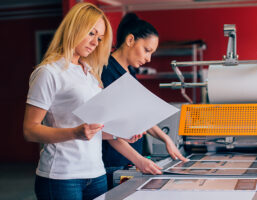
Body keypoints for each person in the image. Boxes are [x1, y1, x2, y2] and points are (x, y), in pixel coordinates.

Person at [23, 3, 159, 199]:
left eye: (100, 38)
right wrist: (75, 132)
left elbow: (93, 130)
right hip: (62, 177)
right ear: (74, 28)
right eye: (91, 33)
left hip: (96, 175)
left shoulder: (90, 74)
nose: (95, 42)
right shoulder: (48, 72)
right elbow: (30, 130)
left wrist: (118, 134)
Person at [101, 13, 188, 189]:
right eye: (147, 50)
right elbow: (107, 128)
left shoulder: (130, 73)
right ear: (130, 40)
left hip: (130, 161)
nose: (148, 58)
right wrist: (139, 161)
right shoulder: (106, 71)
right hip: (111, 163)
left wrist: (167, 140)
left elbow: (140, 116)